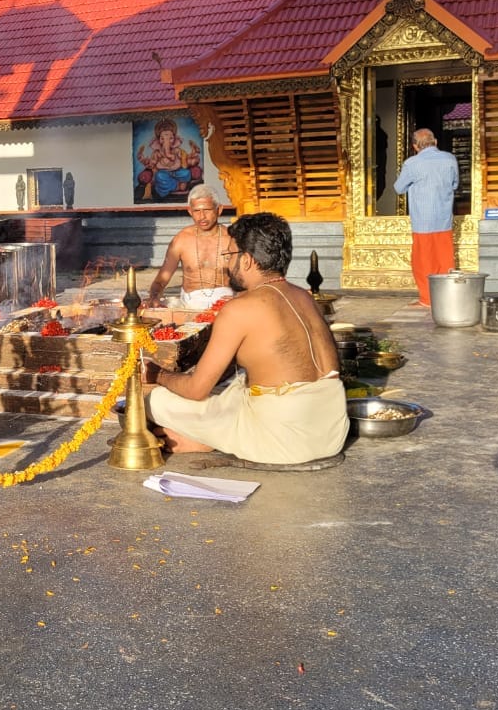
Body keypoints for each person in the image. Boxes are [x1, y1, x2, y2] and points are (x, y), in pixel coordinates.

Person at [144, 212, 348, 464]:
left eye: (230, 256)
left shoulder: (240, 309)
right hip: (331, 431)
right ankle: (213, 437)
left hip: (284, 443)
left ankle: (208, 441)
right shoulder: (305, 297)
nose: (226, 265)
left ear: (248, 260)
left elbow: (197, 390)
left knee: (155, 401)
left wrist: (158, 375)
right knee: (233, 394)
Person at [394, 127, 459, 307]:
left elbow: (398, 188)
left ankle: (427, 299)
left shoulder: (412, 164)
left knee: (423, 260)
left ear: (415, 146)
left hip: (422, 219)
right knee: (444, 258)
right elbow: (455, 184)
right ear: (435, 142)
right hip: (444, 217)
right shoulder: (450, 159)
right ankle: (446, 297)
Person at [146, 185, 234, 309]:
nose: (202, 216)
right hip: (190, 304)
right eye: (197, 211)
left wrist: (240, 296)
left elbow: (249, 279)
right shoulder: (181, 240)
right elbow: (160, 281)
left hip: (226, 303)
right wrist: (154, 297)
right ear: (190, 211)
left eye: (207, 210)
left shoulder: (232, 238)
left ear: (219, 210)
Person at [136, 117, 202, 200]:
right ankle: (177, 186)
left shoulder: (177, 150)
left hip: (177, 172)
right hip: (164, 173)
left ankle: (179, 184)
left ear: (174, 140)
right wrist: (143, 160)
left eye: (170, 138)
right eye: (162, 138)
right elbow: (151, 164)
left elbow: (185, 161)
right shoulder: (157, 153)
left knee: (186, 173)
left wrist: (193, 156)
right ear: (159, 140)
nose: (167, 141)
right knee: (159, 176)